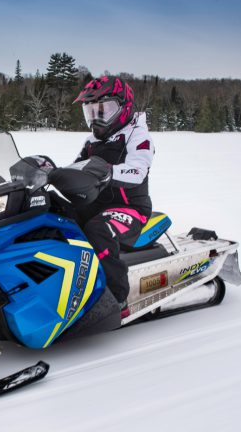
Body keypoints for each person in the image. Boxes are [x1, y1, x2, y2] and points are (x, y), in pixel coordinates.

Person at [72, 76, 155, 316]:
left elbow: (138, 171)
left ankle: (117, 298)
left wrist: (108, 172)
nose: (96, 118)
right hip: (97, 203)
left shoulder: (138, 136)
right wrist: (50, 174)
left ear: (123, 107)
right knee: (59, 215)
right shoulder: (91, 141)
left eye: (103, 110)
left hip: (131, 208)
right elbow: (76, 168)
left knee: (98, 229)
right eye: (91, 112)